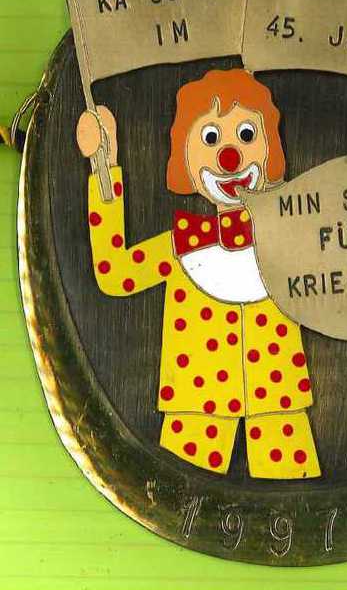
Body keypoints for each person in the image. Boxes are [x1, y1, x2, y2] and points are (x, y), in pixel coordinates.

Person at [77, 68, 321, 479]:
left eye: (246, 135)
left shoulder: (287, 238)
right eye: (210, 138)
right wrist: (105, 165)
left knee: (295, 493)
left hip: (279, 401)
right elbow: (114, 272)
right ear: (185, 160)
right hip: (196, 402)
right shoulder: (181, 247)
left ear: (270, 148)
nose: (230, 156)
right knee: (179, 491)